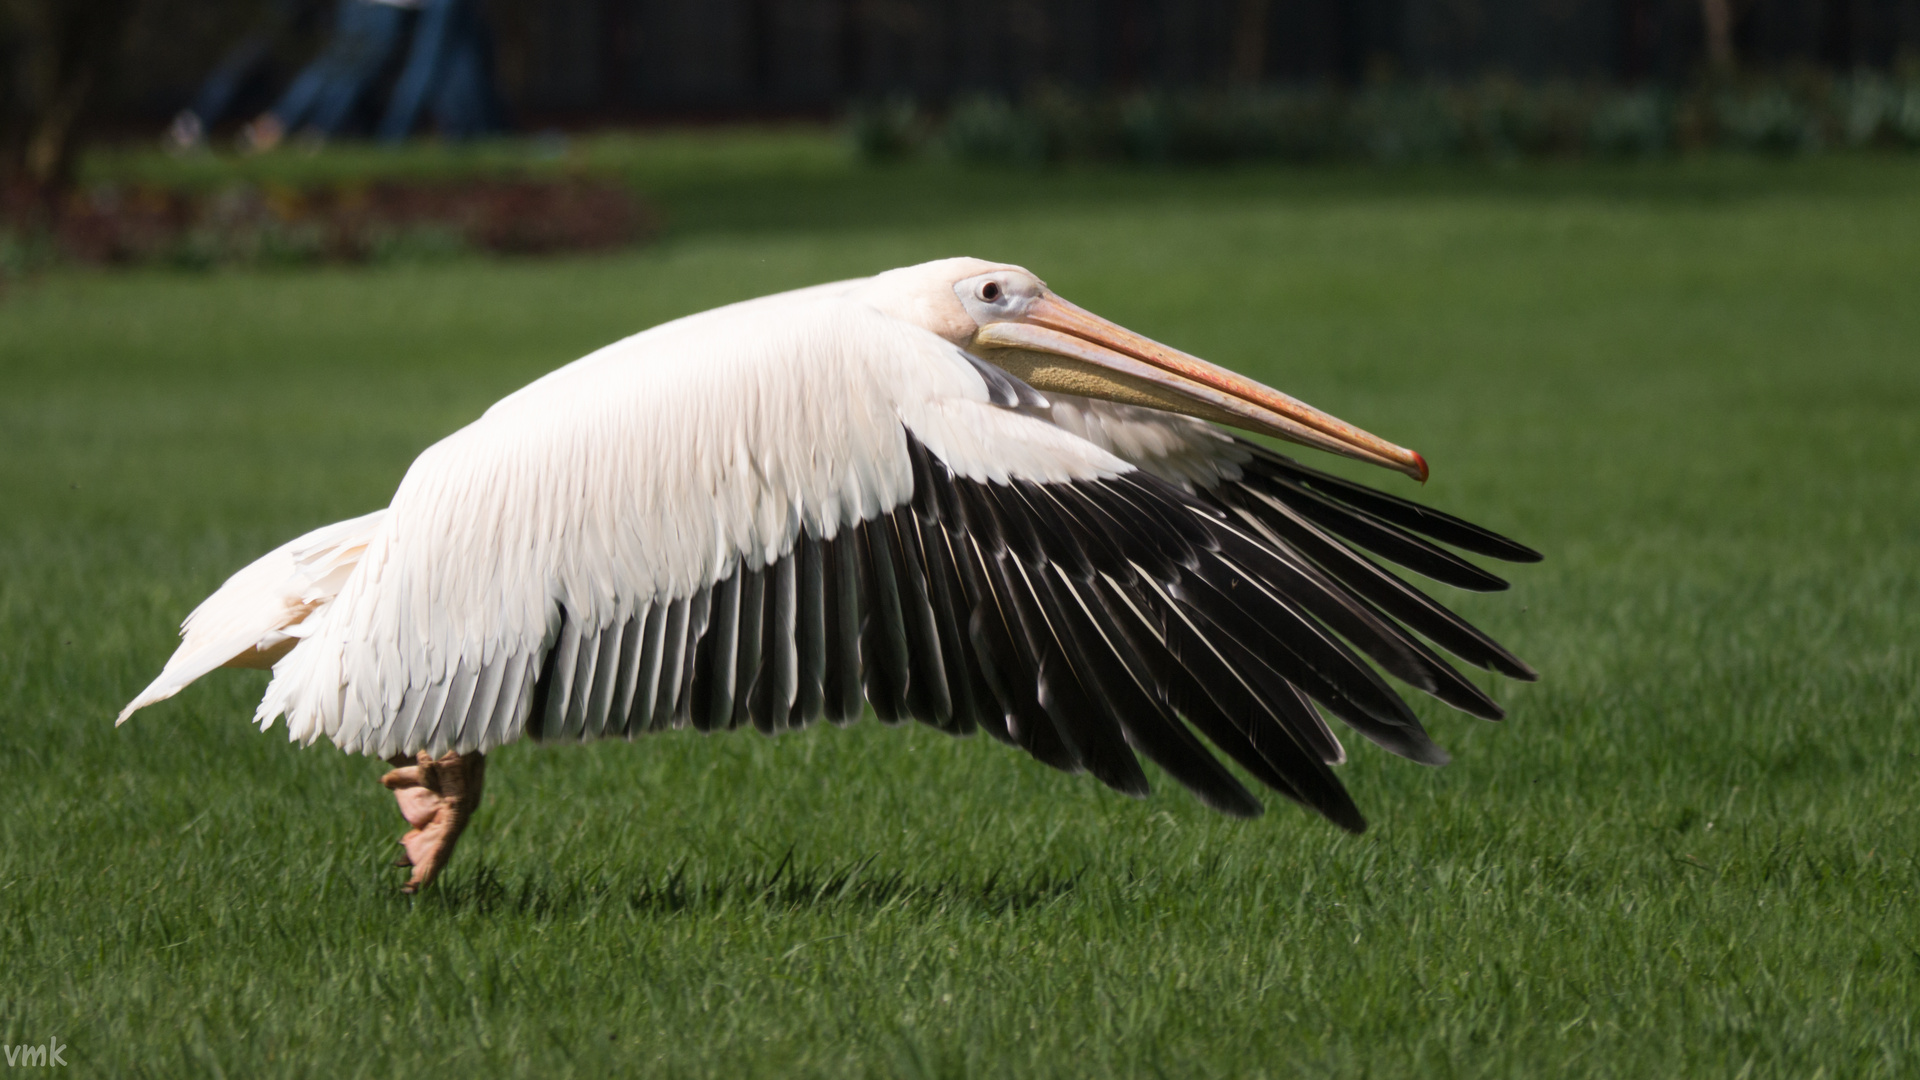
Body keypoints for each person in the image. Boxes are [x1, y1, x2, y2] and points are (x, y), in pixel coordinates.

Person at [240, 0, 421, 151]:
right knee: (335, 66)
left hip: (378, 6)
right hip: (382, 6)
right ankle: (277, 127)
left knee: (349, 73)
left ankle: (307, 136)